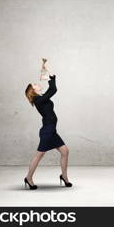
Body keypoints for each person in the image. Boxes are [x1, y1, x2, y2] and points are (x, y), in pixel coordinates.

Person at [23, 59, 72, 189]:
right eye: (35, 84)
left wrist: (45, 69)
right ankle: (28, 178)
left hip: (52, 130)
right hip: (47, 131)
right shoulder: (38, 100)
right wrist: (49, 73)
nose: (37, 84)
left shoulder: (42, 97)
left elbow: (50, 89)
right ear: (33, 90)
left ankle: (64, 176)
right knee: (39, 155)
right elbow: (53, 89)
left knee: (65, 151)